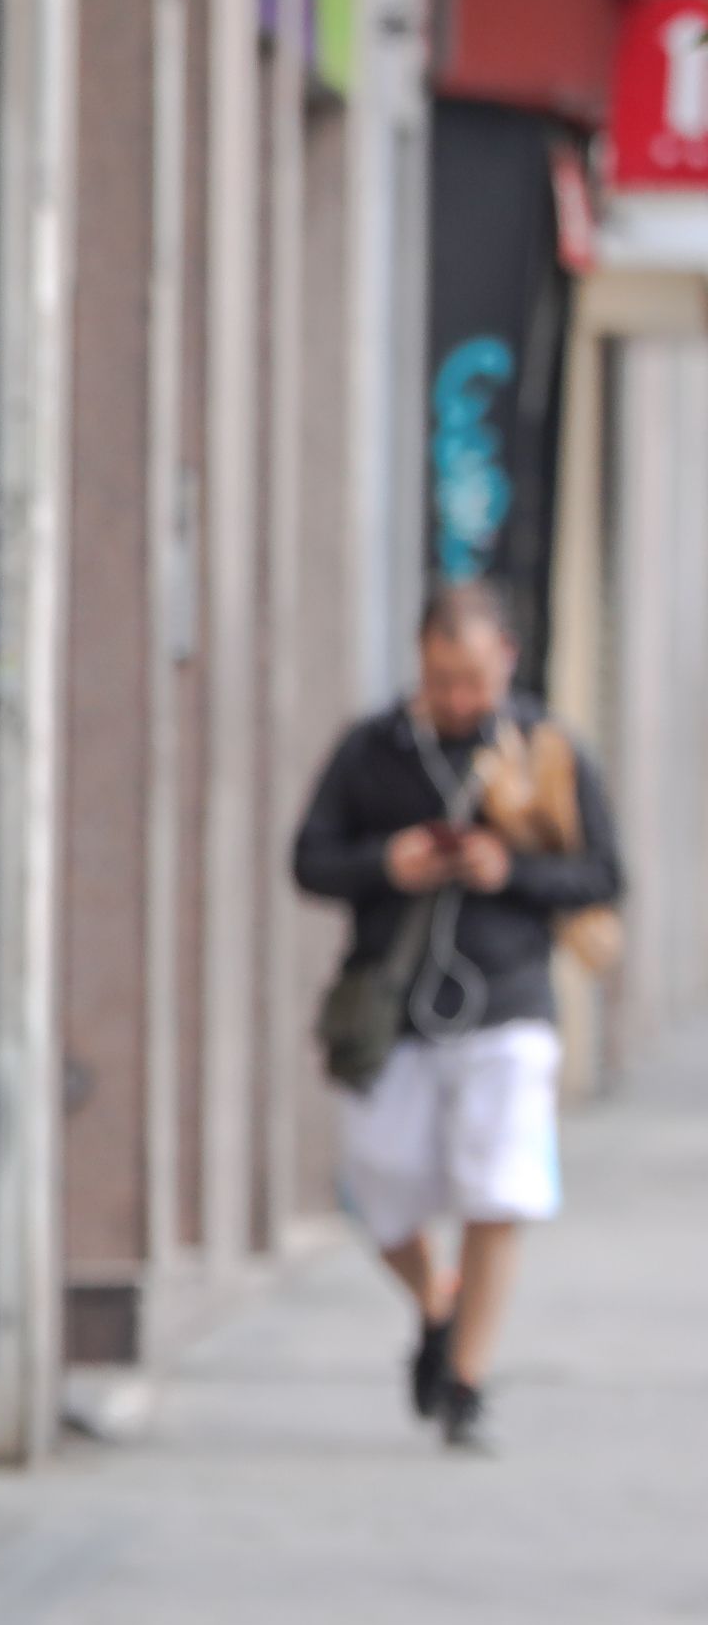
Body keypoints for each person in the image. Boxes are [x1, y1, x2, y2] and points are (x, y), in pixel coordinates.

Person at [291, 580, 622, 1452]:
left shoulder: (547, 751)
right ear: (420, 667)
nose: (458, 699)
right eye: (443, 679)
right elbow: (309, 858)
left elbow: (602, 875)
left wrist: (504, 871)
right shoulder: (373, 750)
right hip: (395, 1007)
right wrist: (385, 863)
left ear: (505, 661)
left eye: (472, 679)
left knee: (498, 1188)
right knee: (377, 1181)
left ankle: (465, 1380)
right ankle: (438, 1297)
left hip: (508, 1000)